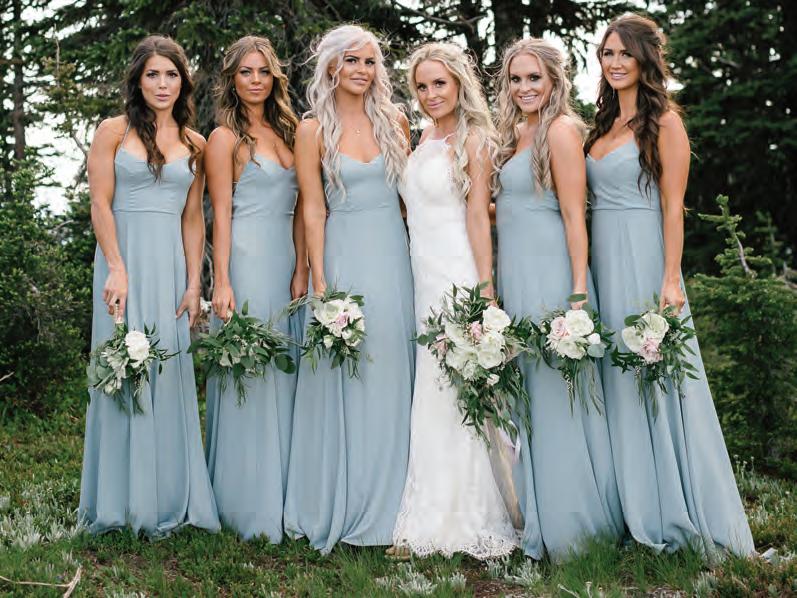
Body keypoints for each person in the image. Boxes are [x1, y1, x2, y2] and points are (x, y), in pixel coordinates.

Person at [585, 13, 754, 558]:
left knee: (655, 379)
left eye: (624, 54)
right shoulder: (601, 125)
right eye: (607, 53)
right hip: (602, 262)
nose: (615, 63)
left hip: (644, 259)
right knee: (617, 379)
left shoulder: (666, 123)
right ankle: (632, 506)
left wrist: (670, 279)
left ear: (645, 60)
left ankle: (675, 508)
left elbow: (673, 208)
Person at [283, 24, 415, 554]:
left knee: (391, 371)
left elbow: (409, 203)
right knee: (347, 372)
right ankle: (344, 495)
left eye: (370, 61)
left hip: (393, 257)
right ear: (332, 67)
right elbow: (312, 208)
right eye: (352, 61)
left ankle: (397, 503)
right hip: (343, 255)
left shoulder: (395, 121)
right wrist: (319, 278)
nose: (362, 70)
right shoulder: (312, 129)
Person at [79, 35, 219, 537]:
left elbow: (192, 219)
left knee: (168, 371)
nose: (162, 84)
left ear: (184, 82)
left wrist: (194, 282)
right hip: (121, 265)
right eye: (153, 74)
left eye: (171, 74)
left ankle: (167, 496)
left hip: (169, 271)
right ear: (138, 81)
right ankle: (117, 503)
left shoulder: (196, 143)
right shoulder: (112, 132)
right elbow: (100, 204)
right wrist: (116, 266)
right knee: (120, 371)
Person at [494, 37, 623, 560]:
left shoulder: (563, 131)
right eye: (516, 79)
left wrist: (576, 296)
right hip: (516, 275)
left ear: (554, 81)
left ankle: (576, 527)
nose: (524, 88)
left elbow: (575, 216)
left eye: (534, 78)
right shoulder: (514, 134)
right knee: (530, 397)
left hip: (552, 277)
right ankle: (540, 517)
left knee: (559, 395)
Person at [391, 42, 519, 560]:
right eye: (421, 86)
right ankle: (427, 504)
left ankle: (466, 512)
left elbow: (477, 217)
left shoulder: (476, 138)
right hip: (422, 277)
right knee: (432, 386)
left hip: (457, 275)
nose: (430, 94)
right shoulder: (421, 137)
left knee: (458, 388)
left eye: (439, 83)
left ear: (460, 84)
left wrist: (484, 288)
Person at [203, 35, 307, 542]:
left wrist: (302, 267)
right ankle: (247, 503)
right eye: (246, 71)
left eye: (264, 71)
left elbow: (306, 209)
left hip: (286, 263)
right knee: (252, 374)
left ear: (275, 77)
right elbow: (219, 215)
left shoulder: (290, 130)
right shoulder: (224, 138)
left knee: (287, 371)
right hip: (245, 263)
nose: (256, 80)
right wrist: (221, 280)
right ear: (232, 78)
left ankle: (289, 494)